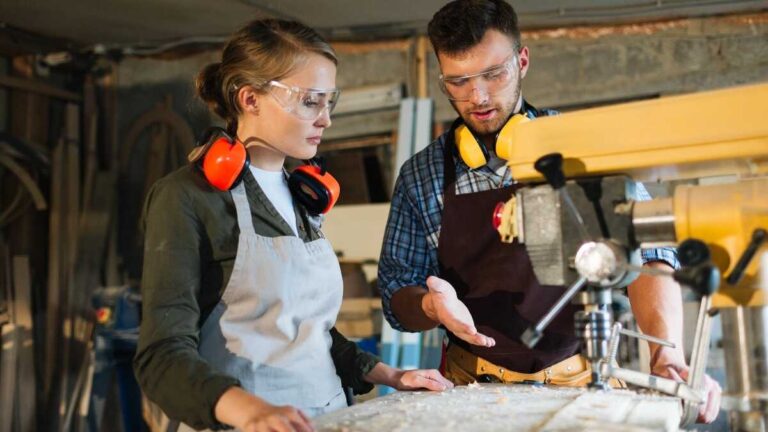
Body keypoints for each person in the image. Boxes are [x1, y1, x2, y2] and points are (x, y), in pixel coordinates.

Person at [378, 0, 721, 424]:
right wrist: (431, 305)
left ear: (522, 60)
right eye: (459, 81)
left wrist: (666, 352)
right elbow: (397, 294)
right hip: (468, 389)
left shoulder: (583, 152)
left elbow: (650, 253)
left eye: (493, 74)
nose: (478, 96)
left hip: (581, 381)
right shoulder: (421, 176)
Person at [134, 18, 452, 432]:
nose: (325, 120)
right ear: (249, 99)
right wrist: (249, 410)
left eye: (329, 102)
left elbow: (307, 333)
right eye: (309, 102)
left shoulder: (301, 196)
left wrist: (386, 374)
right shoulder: (187, 197)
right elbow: (161, 356)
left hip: (329, 417)